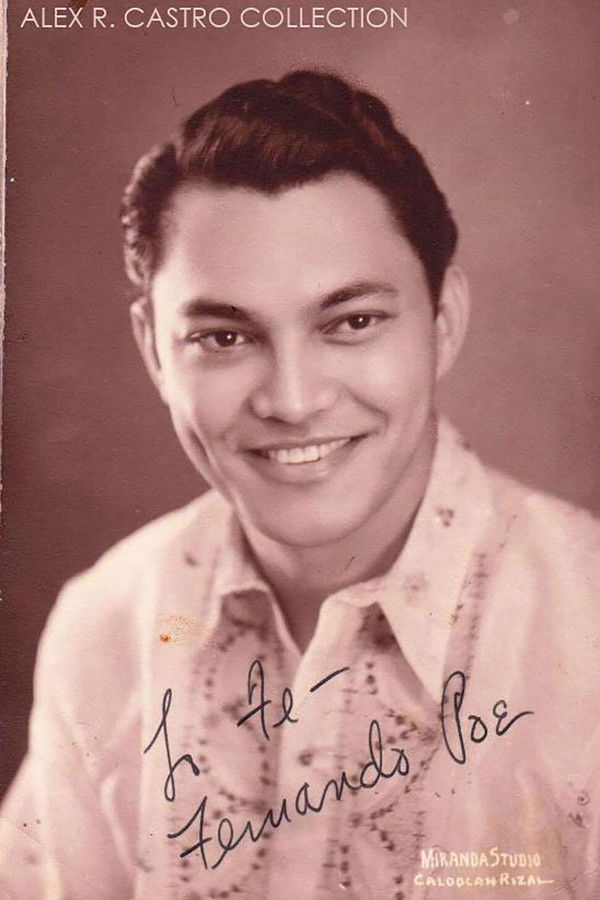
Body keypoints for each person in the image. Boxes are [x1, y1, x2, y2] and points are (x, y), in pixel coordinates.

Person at [1, 70, 599, 900]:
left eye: (352, 322)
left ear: (444, 321)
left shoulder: (585, 631)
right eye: (224, 337)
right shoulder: (104, 627)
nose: (291, 400)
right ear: (153, 351)